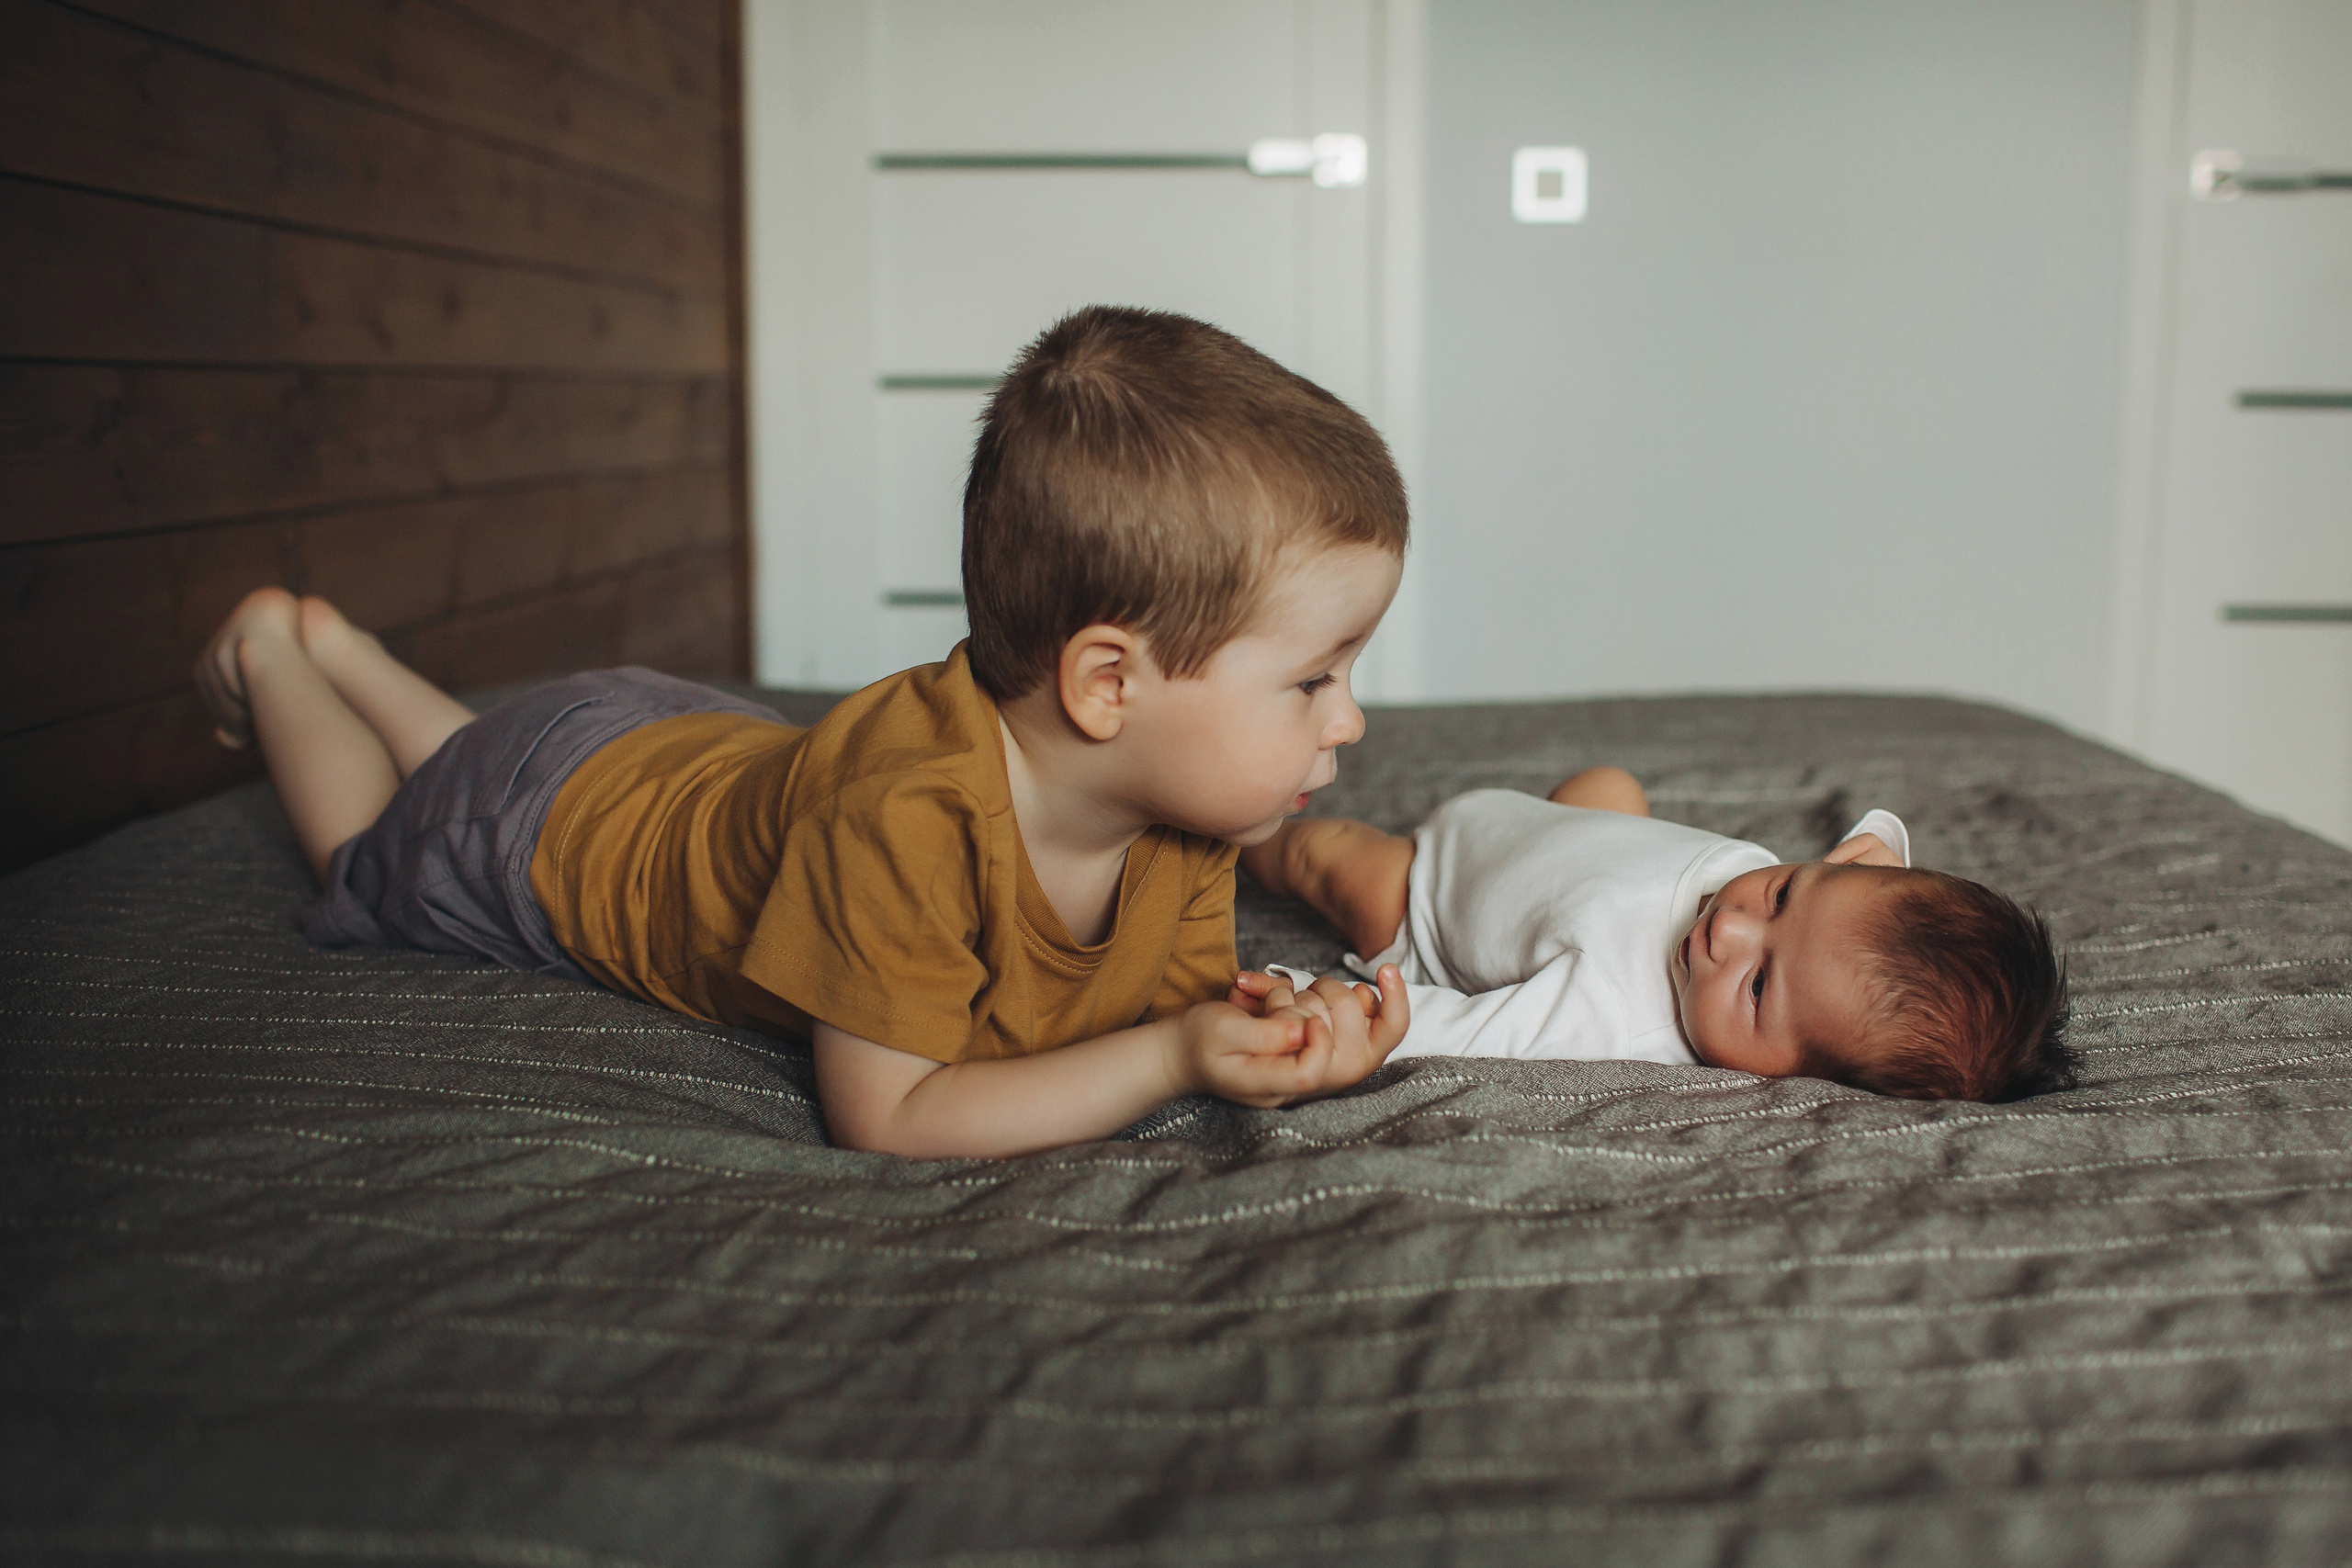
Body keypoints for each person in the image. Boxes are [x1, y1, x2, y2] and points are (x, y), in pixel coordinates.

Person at [195, 307, 1413, 1159]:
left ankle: (343, 646)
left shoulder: (1187, 811)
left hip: (695, 746)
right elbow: (891, 1116)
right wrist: (1175, 1062)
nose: (1348, 717)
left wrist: (1278, 1020)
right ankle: (271, 652)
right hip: (557, 822)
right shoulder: (908, 815)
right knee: (375, 843)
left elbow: (1159, 1004)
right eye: (1313, 678)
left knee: (472, 758)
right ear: (1108, 682)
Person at [1234, 766, 2076, 1102]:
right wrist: (1875, 857)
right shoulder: (1832, 924)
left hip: (1430, 895)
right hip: (1554, 840)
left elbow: (1449, 1032)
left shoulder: (1612, 1019)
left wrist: (1323, 1009)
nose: (1732, 924)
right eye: (1782, 890)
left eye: (1756, 987)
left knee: (1327, 856)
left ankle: (1227, 835)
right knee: (1612, 785)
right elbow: (1878, 848)